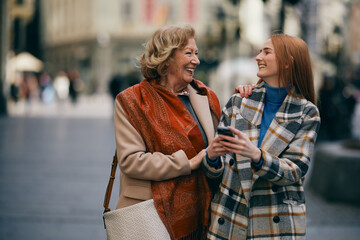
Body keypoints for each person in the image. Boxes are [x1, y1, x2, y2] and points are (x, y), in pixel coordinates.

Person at [202, 33, 321, 239]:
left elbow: (295, 170)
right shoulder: (239, 102)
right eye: (259, 51)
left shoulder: (306, 112)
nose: (258, 57)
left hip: (276, 223)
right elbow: (217, 172)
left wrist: (257, 156)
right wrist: (211, 157)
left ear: (287, 63)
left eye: (266, 52)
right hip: (229, 219)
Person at [114, 24, 222, 239]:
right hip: (153, 215)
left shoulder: (205, 96)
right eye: (189, 53)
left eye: (197, 53)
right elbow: (131, 161)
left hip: (202, 212)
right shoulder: (132, 101)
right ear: (166, 57)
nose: (196, 60)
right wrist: (187, 164)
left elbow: (219, 147)